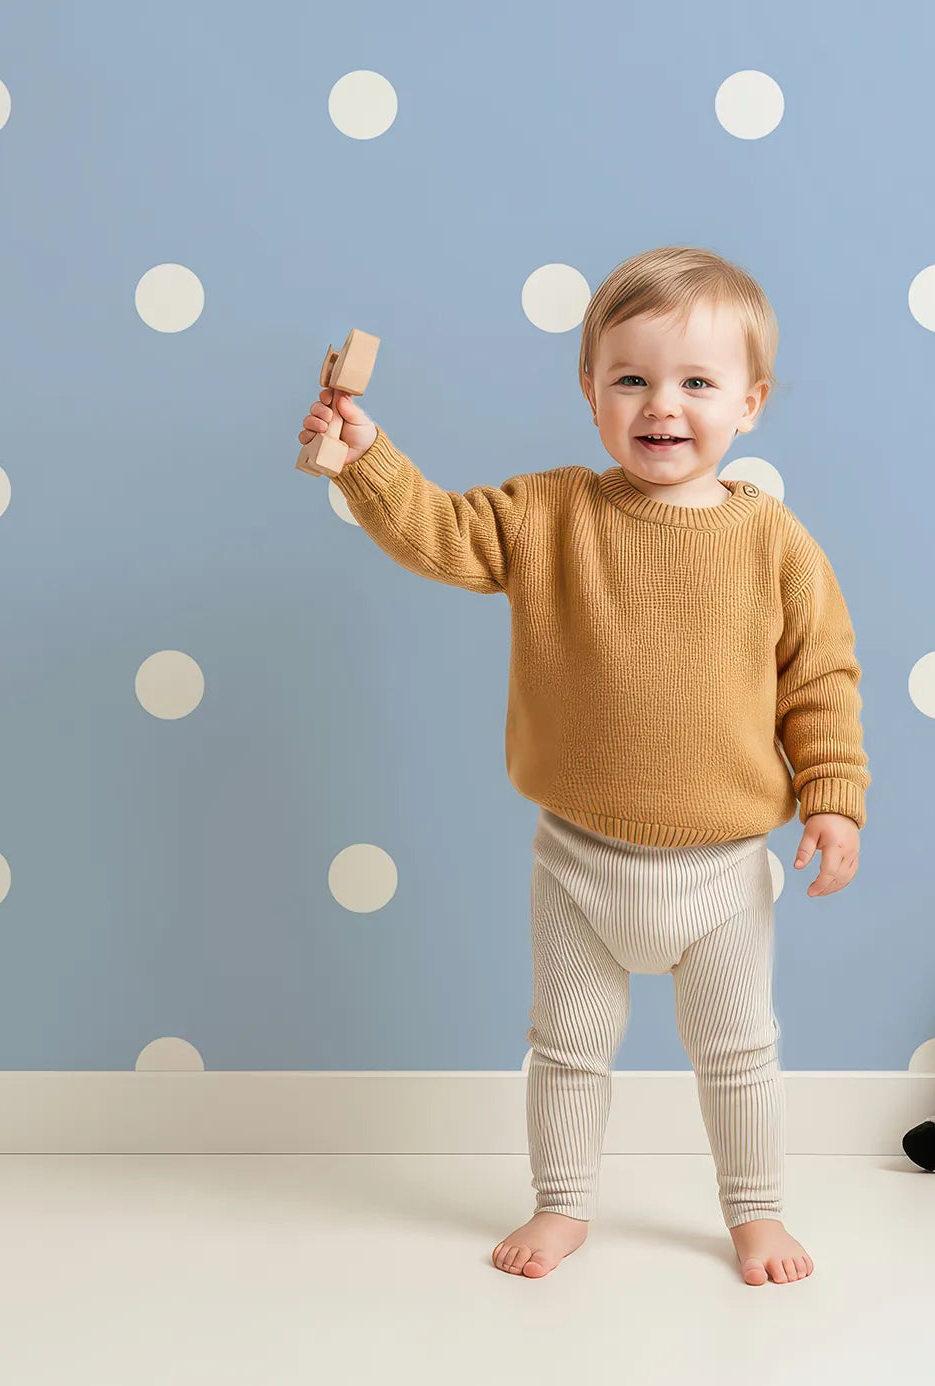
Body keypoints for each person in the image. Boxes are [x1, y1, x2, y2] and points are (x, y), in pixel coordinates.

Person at [297, 246, 870, 1287]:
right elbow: (440, 534)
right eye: (632, 378)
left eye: (696, 382)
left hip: (723, 868)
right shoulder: (549, 512)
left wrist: (832, 801)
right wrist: (368, 456)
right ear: (590, 390)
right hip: (575, 858)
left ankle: (754, 1211)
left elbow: (819, 680)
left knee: (737, 1054)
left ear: (750, 400)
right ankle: (560, 1201)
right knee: (565, 1048)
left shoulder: (774, 542)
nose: (663, 405)